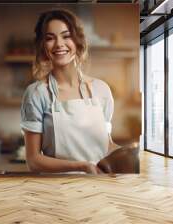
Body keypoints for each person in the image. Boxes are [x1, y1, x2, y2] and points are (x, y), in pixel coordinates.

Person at [20, 9, 119, 174]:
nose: (59, 44)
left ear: (78, 40)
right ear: (43, 45)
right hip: (58, 191)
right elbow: (33, 160)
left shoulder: (102, 90)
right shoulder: (37, 94)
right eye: (50, 38)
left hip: (99, 188)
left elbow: (106, 145)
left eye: (66, 36)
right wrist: (82, 166)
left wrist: (130, 154)